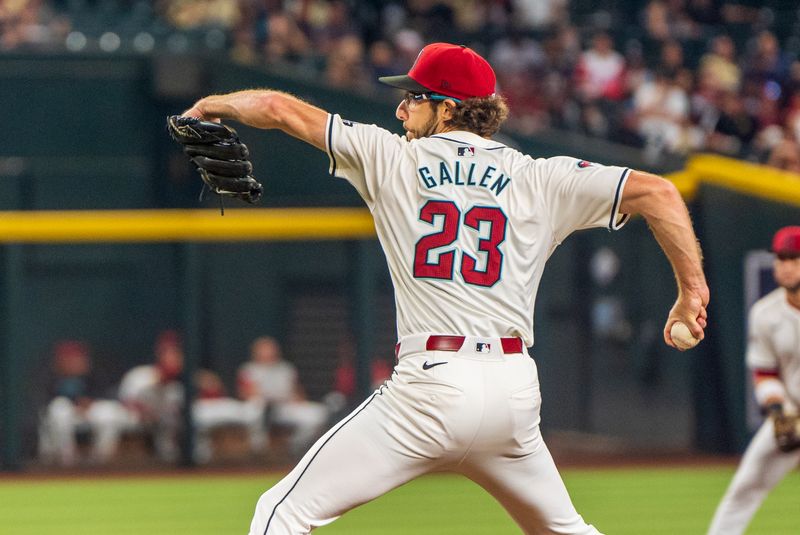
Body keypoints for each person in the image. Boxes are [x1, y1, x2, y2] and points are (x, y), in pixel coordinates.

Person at [179, 42, 709, 535]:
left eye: (413, 98)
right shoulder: (540, 177)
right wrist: (691, 292)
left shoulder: (391, 157)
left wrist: (211, 105)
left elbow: (276, 107)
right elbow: (659, 193)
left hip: (431, 389)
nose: (400, 110)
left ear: (448, 107)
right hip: (513, 393)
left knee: (281, 510)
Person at [707, 226, 800, 535]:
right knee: (744, 489)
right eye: (780, 258)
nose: (785, 266)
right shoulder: (765, 313)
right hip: (792, 413)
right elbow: (765, 372)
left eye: (793, 258)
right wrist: (779, 412)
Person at [38, 340, 130, 466]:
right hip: (64, 415)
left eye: (77, 358)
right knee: (60, 408)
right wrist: (74, 404)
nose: (74, 362)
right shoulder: (50, 376)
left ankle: (101, 460)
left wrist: (89, 403)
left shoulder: (95, 374)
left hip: (88, 413)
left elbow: (105, 395)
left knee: (108, 413)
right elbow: (44, 402)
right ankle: (67, 460)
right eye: (69, 359)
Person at [237, 336, 329, 457]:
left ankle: (296, 447)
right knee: (255, 406)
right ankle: (258, 448)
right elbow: (245, 393)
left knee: (318, 413)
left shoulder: (286, 369)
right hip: (261, 407)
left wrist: (297, 400)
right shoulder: (249, 369)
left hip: (284, 407)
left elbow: (297, 392)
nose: (268, 353)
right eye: (264, 350)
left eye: (270, 349)